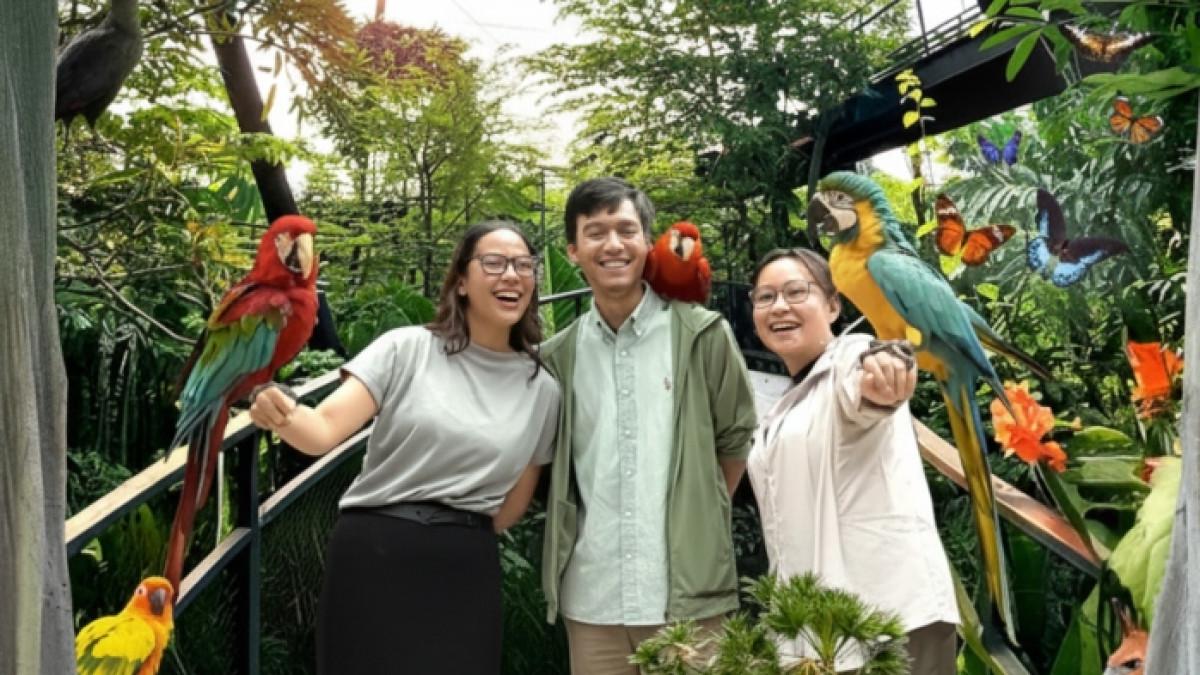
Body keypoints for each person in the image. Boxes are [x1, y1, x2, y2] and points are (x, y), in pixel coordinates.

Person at [248, 221, 560, 675]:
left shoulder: (542, 389)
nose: (511, 275)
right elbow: (323, 430)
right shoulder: (407, 348)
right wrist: (279, 410)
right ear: (461, 281)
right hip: (375, 551)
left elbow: (512, 507)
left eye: (523, 265)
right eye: (493, 263)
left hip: (464, 568)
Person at [540, 176, 758, 674]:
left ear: (646, 242)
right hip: (592, 600)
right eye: (596, 232)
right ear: (573, 251)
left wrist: (699, 510)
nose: (613, 244)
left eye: (626, 230)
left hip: (690, 600)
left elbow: (735, 440)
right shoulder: (558, 357)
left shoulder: (702, 335)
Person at [745, 247, 960, 674]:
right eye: (765, 297)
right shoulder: (785, 404)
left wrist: (887, 372)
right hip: (824, 632)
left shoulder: (849, 356)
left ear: (833, 305)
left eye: (796, 291)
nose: (780, 306)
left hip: (891, 623)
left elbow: (871, 376)